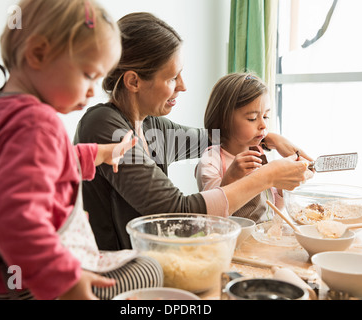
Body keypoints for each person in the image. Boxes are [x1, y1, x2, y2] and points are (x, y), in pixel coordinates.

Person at [0, 0, 163, 300]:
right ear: (39, 54)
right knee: (149, 269)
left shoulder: (4, 108)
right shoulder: (36, 123)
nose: (93, 90)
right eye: (88, 75)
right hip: (30, 286)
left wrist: (103, 153)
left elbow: (49, 164)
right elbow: (17, 220)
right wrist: (67, 284)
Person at [74, 12, 313, 251]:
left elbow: (223, 136)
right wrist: (267, 177)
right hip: (115, 270)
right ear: (133, 81)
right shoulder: (105, 127)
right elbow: (176, 211)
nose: (183, 86)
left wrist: (271, 139)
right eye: (171, 78)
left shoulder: (152, 128)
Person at [195, 72, 288, 223]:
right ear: (224, 120)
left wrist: (283, 189)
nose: (263, 125)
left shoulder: (260, 155)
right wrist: (231, 177)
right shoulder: (212, 160)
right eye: (252, 118)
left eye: (265, 116)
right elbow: (212, 215)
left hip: (263, 237)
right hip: (232, 240)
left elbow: (273, 209)